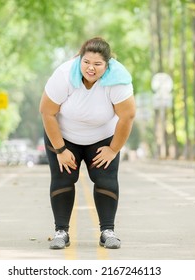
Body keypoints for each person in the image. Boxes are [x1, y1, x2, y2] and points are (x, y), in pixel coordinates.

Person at [39, 37, 135, 249]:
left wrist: (113, 149)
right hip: (63, 136)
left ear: (107, 65)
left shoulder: (118, 80)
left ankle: (107, 231)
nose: (91, 68)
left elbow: (127, 116)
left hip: (102, 138)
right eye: (86, 62)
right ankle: (61, 231)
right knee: (64, 177)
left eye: (98, 64)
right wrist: (60, 149)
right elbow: (47, 112)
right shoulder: (64, 75)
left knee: (105, 178)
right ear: (80, 59)